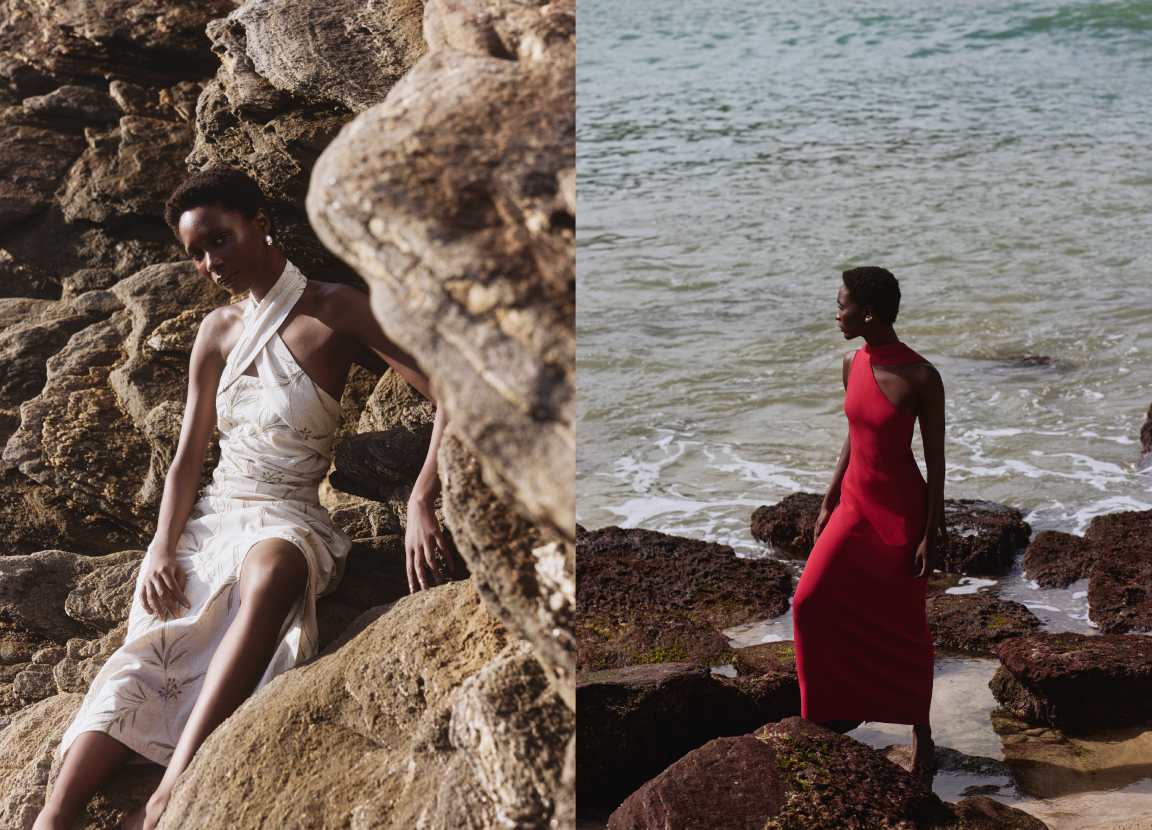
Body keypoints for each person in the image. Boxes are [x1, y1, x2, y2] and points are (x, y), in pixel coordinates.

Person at [33, 166, 453, 830]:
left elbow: (450, 391)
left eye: (219, 241)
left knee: (279, 566)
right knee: (145, 654)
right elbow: (188, 458)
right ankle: (53, 816)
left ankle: (173, 785)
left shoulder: (335, 307)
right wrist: (162, 549)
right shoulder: (218, 332)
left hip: (288, 512)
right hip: (214, 518)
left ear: (260, 220)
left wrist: (422, 497)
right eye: (197, 253)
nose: (210, 263)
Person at [791, 266, 945, 786]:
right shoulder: (851, 362)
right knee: (809, 602)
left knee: (905, 624)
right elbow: (854, 432)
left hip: (900, 510)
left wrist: (932, 527)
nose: (837, 313)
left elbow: (936, 460)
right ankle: (821, 720)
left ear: (870, 312)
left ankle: (921, 731)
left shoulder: (921, 376)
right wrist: (829, 494)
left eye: (843, 305)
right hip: (853, 505)